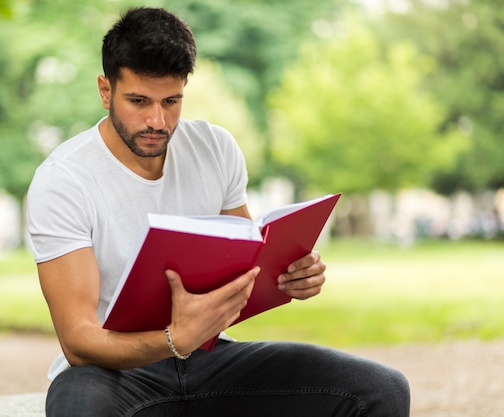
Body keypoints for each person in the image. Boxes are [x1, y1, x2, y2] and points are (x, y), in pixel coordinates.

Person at [26, 7, 410, 416]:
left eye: (171, 101)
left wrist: (290, 276)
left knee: (380, 389)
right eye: (138, 101)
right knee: (78, 408)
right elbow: (78, 340)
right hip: (113, 372)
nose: (157, 120)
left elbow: (245, 261)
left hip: (210, 360)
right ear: (106, 90)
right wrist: (175, 339)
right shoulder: (63, 180)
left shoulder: (214, 148)